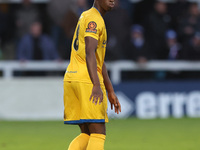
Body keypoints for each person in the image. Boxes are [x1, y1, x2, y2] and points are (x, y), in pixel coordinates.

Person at [63, 0, 121, 150]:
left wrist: (110, 90)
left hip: (73, 77)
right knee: (98, 133)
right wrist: (96, 84)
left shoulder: (86, 15)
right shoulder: (94, 19)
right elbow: (90, 52)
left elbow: (98, 59)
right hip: (87, 80)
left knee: (87, 134)